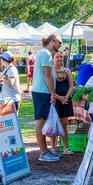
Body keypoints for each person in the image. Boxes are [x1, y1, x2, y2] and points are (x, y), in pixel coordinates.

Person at [31, 35, 62, 163]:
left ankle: (46, 151)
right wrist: (52, 93)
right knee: (41, 121)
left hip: (43, 91)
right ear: (53, 41)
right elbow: (47, 75)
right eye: (59, 43)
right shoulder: (45, 54)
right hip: (42, 92)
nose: (60, 46)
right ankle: (43, 152)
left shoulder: (45, 53)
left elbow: (50, 75)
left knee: (42, 120)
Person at [49, 50, 74, 155]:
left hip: (66, 100)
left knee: (64, 124)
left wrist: (66, 97)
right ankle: (53, 148)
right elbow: (49, 87)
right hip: (55, 99)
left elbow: (71, 85)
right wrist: (59, 98)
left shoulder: (67, 71)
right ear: (53, 58)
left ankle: (65, 147)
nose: (59, 59)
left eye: (61, 57)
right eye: (57, 57)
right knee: (54, 123)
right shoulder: (50, 71)